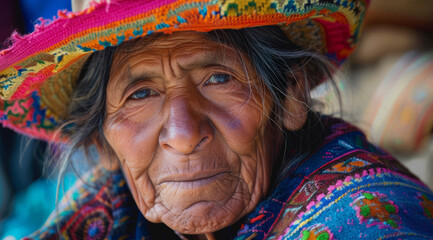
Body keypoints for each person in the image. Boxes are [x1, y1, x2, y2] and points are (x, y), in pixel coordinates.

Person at [1, 0, 433, 239]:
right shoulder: (106, 209)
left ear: (292, 97)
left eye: (217, 78)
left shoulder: (366, 222)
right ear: (102, 145)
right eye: (142, 94)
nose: (184, 136)